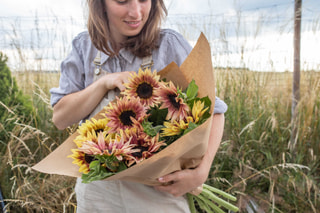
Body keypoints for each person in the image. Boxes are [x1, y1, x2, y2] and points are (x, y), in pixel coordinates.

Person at [50, 0, 227, 212]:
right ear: (100, 4)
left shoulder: (168, 45)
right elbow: (60, 118)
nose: (136, 13)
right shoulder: (83, 47)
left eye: (144, 0)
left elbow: (213, 111)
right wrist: (103, 83)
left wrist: (201, 171)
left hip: (158, 193)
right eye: (122, 1)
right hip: (97, 192)